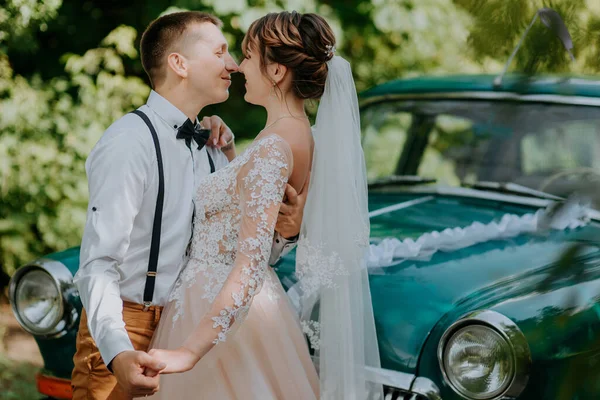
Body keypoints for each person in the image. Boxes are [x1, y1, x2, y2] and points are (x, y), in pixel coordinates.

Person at [147, 11, 383, 400]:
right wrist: (230, 156)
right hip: (237, 307)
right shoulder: (292, 135)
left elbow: (249, 264)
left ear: (275, 72)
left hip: (220, 313)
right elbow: (264, 221)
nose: (238, 68)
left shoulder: (276, 145)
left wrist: (187, 353)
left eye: (247, 55)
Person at [71, 11, 306, 400]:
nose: (233, 64)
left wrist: (289, 232)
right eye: (220, 52)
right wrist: (117, 352)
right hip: (128, 326)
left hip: (192, 331)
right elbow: (98, 264)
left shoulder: (216, 148)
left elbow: (238, 249)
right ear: (179, 64)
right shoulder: (129, 142)